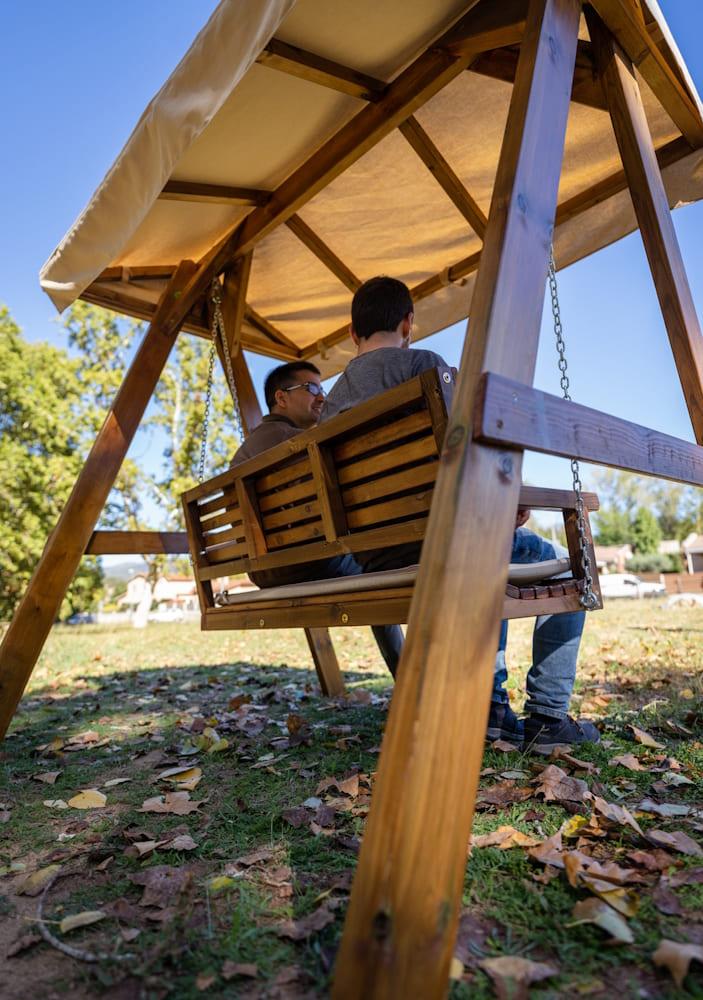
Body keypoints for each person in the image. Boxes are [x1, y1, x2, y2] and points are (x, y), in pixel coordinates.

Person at [320, 276, 599, 751]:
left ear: (352, 333)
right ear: (408, 323)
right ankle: (548, 718)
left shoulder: (331, 405)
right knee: (570, 564)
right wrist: (503, 501)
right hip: (443, 544)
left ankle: (489, 710)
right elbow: (466, 450)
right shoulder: (424, 367)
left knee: (491, 557)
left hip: (376, 557)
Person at [231, 361, 404, 676]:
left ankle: (409, 678)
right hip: (313, 564)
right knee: (393, 563)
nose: (321, 396)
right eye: (311, 388)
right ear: (281, 398)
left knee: (376, 561)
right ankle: (415, 682)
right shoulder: (305, 443)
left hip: (265, 572)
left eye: (322, 388)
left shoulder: (244, 453)